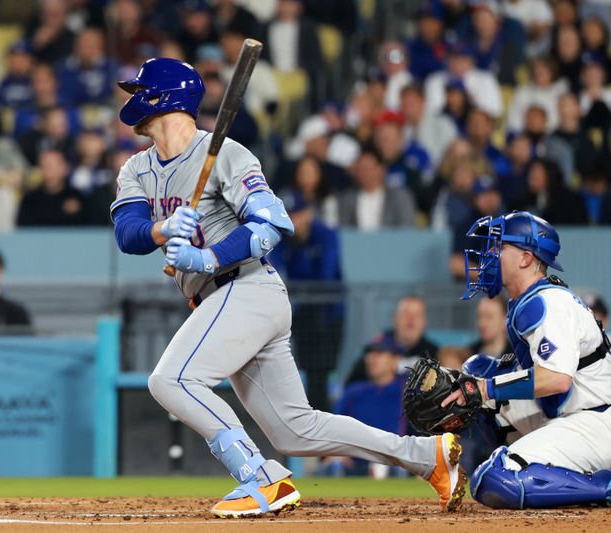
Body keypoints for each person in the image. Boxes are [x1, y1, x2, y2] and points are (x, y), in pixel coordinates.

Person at [111, 57, 465, 517]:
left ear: (165, 97)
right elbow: (127, 232)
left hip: (248, 288)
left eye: (141, 90)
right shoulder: (136, 168)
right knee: (295, 430)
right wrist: (161, 230)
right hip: (217, 301)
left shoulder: (227, 153)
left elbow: (272, 223)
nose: (133, 97)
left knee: (171, 380)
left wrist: (208, 256)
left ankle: (259, 479)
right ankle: (426, 456)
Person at [441, 211, 611, 509]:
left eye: (499, 246)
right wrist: (473, 386)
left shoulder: (548, 302)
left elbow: (556, 379)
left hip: (598, 421)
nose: (489, 254)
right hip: (568, 413)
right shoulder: (526, 301)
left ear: (526, 258)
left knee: (494, 480)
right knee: (477, 369)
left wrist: (487, 388)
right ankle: (543, 466)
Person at [269, 191, 342, 412]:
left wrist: (297, 291)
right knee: (299, 371)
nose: (293, 220)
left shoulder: (326, 235)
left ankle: (324, 424)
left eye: (298, 214)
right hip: (299, 315)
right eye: (289, 214)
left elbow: (325, 278)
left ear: (308, 214)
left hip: (328, 315)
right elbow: (274, 271)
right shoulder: (281, 237)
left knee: (322, 372)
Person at [327, 340, 410, 476]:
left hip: (396, 465)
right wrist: (335, 453)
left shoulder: (408, 390)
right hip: (354, 466)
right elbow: (332, 428)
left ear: (395, 360)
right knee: (327, 469)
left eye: (379, 353)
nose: (372, 359)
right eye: (370, 354)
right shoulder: (353, 392)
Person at [337, 146, 417, 230]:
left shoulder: (400, 197)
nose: (363, 173)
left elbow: (406, 229)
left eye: (367, 168)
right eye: (360, 169)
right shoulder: (346, 198)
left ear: (381, 169)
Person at [17, 150, 85, 227]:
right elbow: (23, 229)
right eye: (44, 165)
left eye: (52, 165)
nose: (48, 169)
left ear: (65, 168)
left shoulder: (78, 197)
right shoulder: (29, 199)